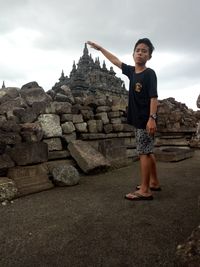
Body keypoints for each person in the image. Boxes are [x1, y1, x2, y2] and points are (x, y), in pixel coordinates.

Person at [87, 38, 161, 201]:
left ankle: (145, 190)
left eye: (144, 51)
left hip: (145, 120)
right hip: (139, 119)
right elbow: (115, 61)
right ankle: (154, 182)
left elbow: (154, 97)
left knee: (143, 153)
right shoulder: (132, 71)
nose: (140, 53)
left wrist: (152, 118)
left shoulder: (150, 74)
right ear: (133, 53)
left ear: (149, 56)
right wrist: (101, 49)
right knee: (148, 151)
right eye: (138, 50)